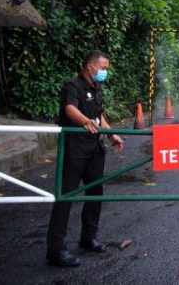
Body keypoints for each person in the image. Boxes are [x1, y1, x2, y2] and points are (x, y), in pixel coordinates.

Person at [46, 50, 124, 267]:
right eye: (103, 68)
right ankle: (56, 250)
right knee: (65, 197)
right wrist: (84, 122)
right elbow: (70, 108)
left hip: (95, 151)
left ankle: (88, 237)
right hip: (75, 150)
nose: (105, 72)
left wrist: (111, 133)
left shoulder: (96, 88)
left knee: (95, 194)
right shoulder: (73, 86)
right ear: (91, 67)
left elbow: (99, 115)